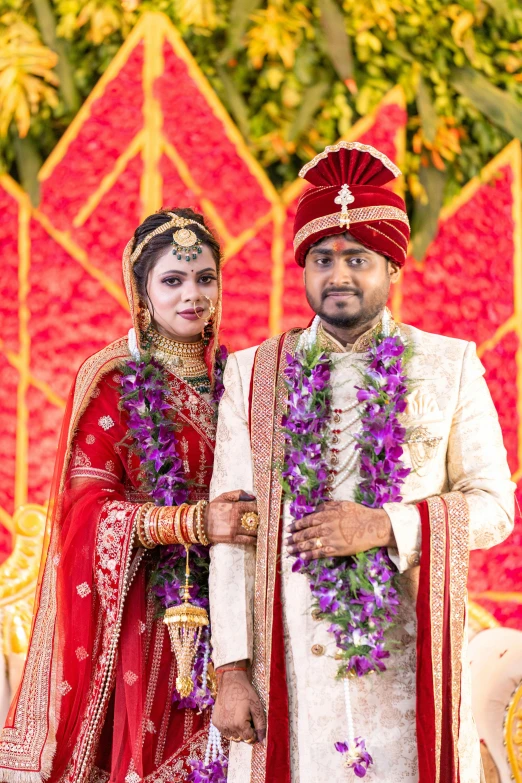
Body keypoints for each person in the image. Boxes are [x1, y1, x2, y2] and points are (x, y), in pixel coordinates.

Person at [208, 142, 515, 783]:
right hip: (286, 667)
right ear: (303, 269)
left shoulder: (448, 364)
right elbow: (229, 532)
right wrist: (231, 668)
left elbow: (495, 510)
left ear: (392, 266)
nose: (339, 274)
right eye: (322, 259)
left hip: (407, 666)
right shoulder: (253, 373)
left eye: (358, 259)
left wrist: (384, 526)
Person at [0, 208, 257, 783]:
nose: (193, 294)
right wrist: (189, 523)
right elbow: (85, 513)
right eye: (172, 280)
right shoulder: (115, 379)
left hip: (243, 605)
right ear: (141, 292)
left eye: (205, 278)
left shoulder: (243, 379)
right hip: (147, 615)